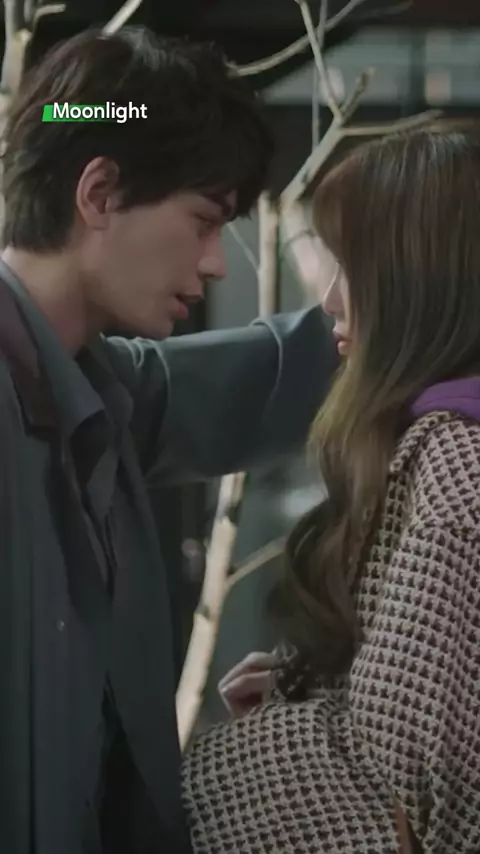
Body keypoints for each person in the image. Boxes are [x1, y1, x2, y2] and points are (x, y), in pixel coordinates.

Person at [0, 25, 339, 854]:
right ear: (99, 193)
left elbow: (257, 378)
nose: (216, 262)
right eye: (202, 220)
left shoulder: (97, 389)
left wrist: (399, 314)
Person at [181, 125, 480, 853]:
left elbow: (424, 778)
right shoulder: (431, 445)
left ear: (418, 285)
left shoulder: (455, 467)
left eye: (352, 268)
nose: (331, 300)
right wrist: (311, 684)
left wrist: (289, 728)